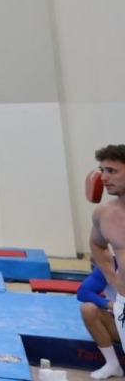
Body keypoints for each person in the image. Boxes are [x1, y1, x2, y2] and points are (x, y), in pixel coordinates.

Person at [90, 144, 125, 361]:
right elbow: (97, 244)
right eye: (102, 170)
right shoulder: (103, 213)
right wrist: (112, 277)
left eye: (111, 171)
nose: (103, 177)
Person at [78, 259, 122, 379]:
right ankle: (112, 364)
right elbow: (83, 291)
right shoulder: (111, 263)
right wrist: (112, 305)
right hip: (118, 322)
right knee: (88, 309)